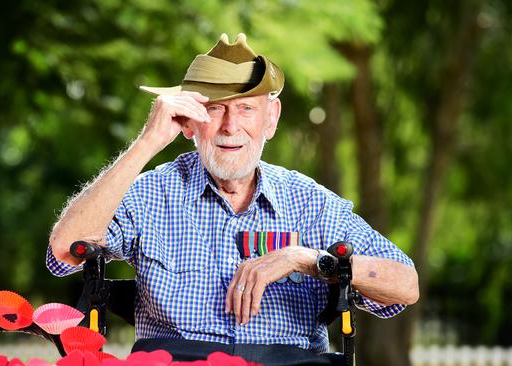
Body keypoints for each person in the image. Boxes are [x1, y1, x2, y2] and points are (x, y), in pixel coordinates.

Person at [46, 33, 419, 365]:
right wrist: (147, 143)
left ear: (270, 119)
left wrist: (304, 258)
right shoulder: (149, 194)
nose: (230, 126)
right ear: (188, 121)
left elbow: (405, 287)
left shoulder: (310, 203)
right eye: (215, 108)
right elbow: (63, 254)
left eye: (246, 108)